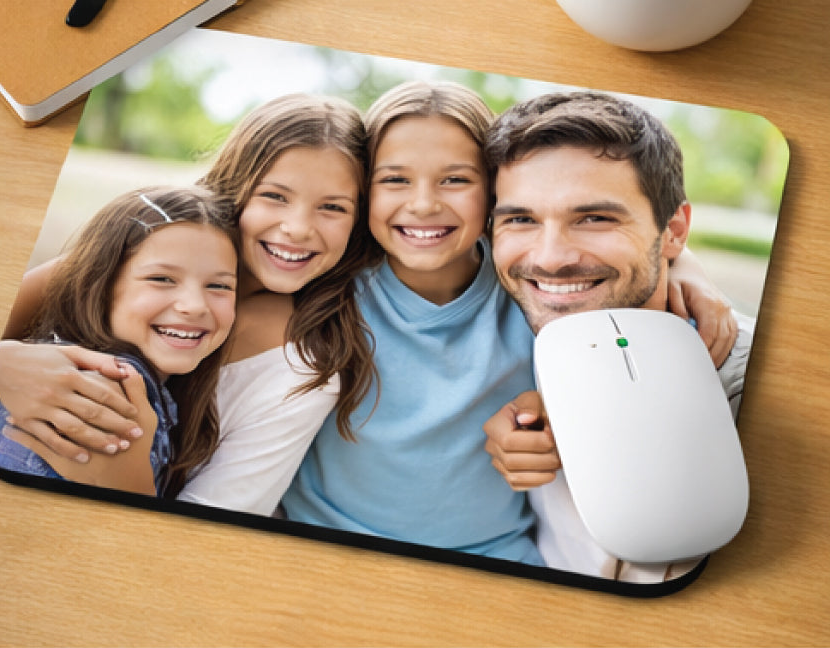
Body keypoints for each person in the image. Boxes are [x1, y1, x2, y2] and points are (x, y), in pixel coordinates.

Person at [279, 81, 736, 565]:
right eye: (394, 180)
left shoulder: (531, 290)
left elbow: (634, 256)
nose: (424, 204)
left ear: (492, 192)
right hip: (320, 546)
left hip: (498, 557)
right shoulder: (325, 287)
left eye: (455, 180)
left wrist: (683, 265)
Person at [0, 94, 376, 516]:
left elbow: (207, 530)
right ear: (236, 185)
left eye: (333, 207)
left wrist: (127, 476)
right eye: (275, 196)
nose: (297, 228)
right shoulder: (142, 247)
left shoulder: (301, 370)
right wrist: (2, 362)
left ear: (357, 223)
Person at [481, 90, 754, 582]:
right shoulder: (508, 323)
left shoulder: (756, 386)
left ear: (674, 230)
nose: (550, 258)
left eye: (595, 218)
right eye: (520, 219)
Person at [0, 186, 239, 497]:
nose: (194, 305)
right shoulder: (100, 402)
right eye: (161, 279)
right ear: (100, 285)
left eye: (219, 285)